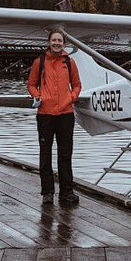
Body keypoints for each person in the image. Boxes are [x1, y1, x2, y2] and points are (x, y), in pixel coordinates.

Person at [27, 29, 82, 203]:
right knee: (45, 153)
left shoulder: (70, 62)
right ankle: (47, 193)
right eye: (54, 40)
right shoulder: (40, 62)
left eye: (60, 40)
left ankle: (66, 192)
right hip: (45, 114)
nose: (57, 43)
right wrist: (38, 96)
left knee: (65, 154)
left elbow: (77, 85)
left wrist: (71, 98)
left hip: (66, 114)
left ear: (64, 44)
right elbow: (31, 84)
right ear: (49, 42)